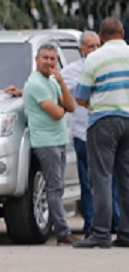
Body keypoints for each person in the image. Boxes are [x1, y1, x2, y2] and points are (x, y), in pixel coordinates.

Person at [73, 17, 129, 248]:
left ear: (101, 36)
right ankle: (126, 234)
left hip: (103, 121)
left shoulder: (94, 58)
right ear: (122, 34)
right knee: (126, 178)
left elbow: (80, 97)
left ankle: (101, 233)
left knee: (102, 177)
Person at [61, 31, 120, 237]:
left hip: (108, 130)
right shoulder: (71, 71)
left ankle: (115, 222)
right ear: (81, 50)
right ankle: (92, 223)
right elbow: (53, 88)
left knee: (112, 179)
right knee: (87, 182)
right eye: (90, 46)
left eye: (97, 45)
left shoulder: (108, 65)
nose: (95, 50)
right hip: (83, 132)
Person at [23, 43, 77, 245]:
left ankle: (62, 229)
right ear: (37, 60)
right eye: (45, 58)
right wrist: (61, 108)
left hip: (59, 140)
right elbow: (56, 113)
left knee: (58, 188)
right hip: (46, 142)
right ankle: (62, 232)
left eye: (52, 59)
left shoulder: (52, 82)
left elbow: (70, 106)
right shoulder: (36, 83)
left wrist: (61, 82)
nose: (49, 62)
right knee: (54, 189)